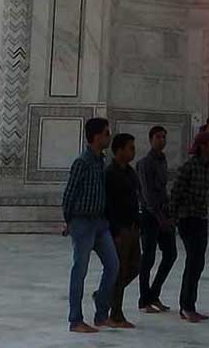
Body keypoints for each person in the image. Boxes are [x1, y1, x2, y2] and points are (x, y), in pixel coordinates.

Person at [60, 117, 118, 334]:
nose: (109, 137)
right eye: (106, 133)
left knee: (113, 266)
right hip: (83, 224)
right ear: (96, 137)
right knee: (80, 271)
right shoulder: (82, 163)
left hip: (100, 223)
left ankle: (101, 313)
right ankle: (75, 320)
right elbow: (69, 195)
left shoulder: (101, 162)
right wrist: (70, 222)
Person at [168, 130, 209, 323]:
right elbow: (175, 193)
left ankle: (191, 304)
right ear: (204, 146)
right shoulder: (189, 167)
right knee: (193, 261)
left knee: (198, 263)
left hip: (200, 218)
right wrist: (172, 219)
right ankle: (186, 306)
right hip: (187, 219)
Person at [135, 125, 177, 316]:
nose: (162, 140)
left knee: (170, 254)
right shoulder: (144, 163)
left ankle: (154, 294)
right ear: (151, 139)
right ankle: (144, 299)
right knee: (148, 258)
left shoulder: (162, 161)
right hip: (150, 216)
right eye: (159, 137)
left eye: (164, 137)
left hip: (163, 214)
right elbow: (147, 193)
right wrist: (159, 217)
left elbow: (162, 189)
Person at [104, 133, 141, 329]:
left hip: (133, 227)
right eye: (130, 147)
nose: (133, 151)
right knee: (120, 271)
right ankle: (116, 315)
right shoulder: (110, 173)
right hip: (120, 229)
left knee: (135, 266)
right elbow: (109, 205)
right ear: (119, 150)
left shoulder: (130, 172)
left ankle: (105, 294)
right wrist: (115, 231)